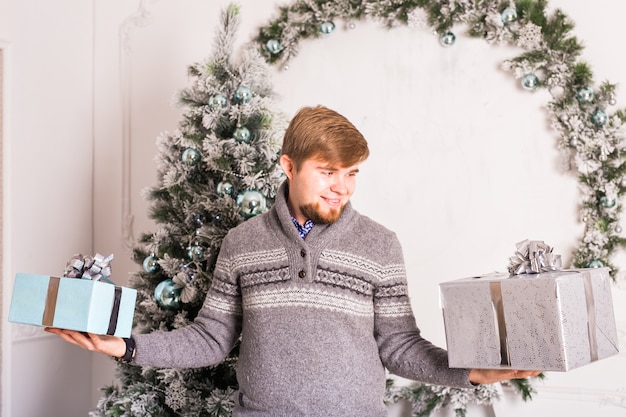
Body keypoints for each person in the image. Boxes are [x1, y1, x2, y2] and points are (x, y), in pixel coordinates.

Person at [46, 105, 540, 416]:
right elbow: (210, 339)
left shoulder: (380, 245)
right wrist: (126, 348)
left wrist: (471, 373)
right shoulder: (242, 243)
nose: (341, 187)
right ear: (289, 166)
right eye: (328, 172)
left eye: (352, 173)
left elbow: (400, 346)